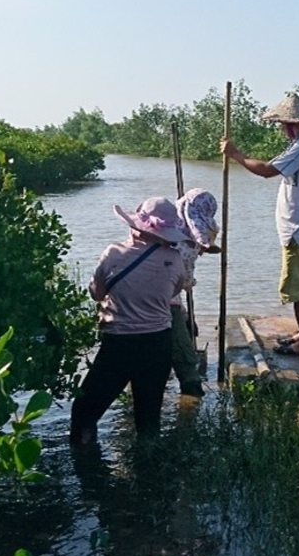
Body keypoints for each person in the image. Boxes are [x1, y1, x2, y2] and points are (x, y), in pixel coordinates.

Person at [220, 93, 299, 356]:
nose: (282, 130)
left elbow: (267, 170)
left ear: (294, 124)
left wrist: (236, 154)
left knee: (297, 287)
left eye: (283, 125)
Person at [69, 197, 187, 445]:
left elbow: (97, 294)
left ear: (137, 225)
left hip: (119, 344)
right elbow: (174, 291)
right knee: (148, 420)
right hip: (158, 344)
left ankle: (86, 471)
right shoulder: (176, 259)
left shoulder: (113, 253)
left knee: (84, 411)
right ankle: (148, 474)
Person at [171, 188, 221, 398]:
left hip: (132, 304)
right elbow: (184, 283)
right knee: (186, 363)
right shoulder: (187, 247)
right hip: (162, 303)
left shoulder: (166, 228)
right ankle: (190, 403)